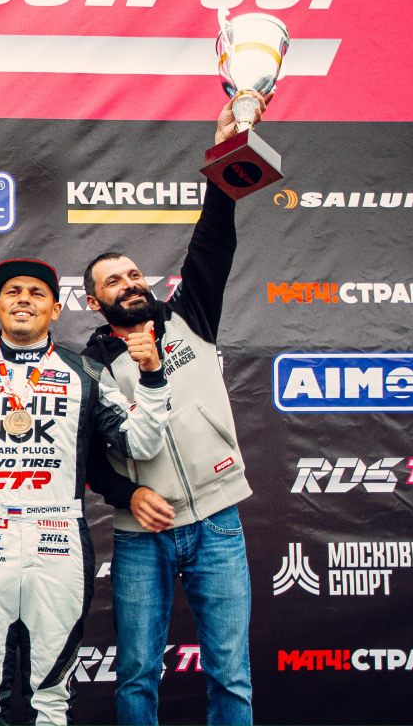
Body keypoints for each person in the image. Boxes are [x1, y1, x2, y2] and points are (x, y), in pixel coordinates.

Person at [0, 259, 171, 726]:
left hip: (58, 535)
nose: (23, 299)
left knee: (51, 696)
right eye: (13, 292)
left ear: (55, 309)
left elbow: (142, 444)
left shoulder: (85, 372)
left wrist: (151, 376)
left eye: (36, 292)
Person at [80, 98, 260, 726]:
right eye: (112, 281)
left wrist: (227, 152)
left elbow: (214, 236)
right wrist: (128, 495)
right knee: (136, 678)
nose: (129, 283)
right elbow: (88, 462)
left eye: (134, 274)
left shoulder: (189, 317)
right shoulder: (88, 369)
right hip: (142, 534)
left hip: (217, 520)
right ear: (93, 302)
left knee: (231, 675)